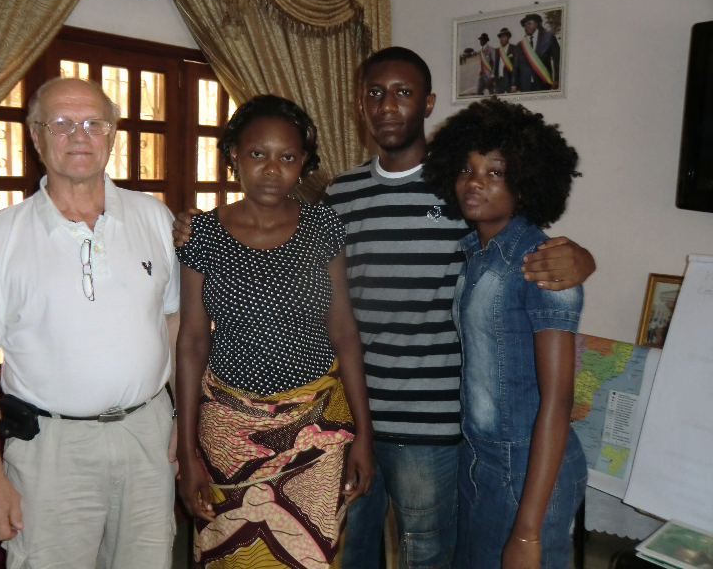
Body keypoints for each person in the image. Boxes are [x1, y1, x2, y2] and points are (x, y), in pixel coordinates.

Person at [174, 47, 595, 569]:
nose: (388, 105)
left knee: (426, 554)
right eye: (375, 93)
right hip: (347, 416)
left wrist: (581, 258)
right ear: (360, 105)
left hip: (435, 425)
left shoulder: (459, 191)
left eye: (403, 93)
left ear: (428, 103)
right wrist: (193, 227)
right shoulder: (340, 197)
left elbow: (515, 239)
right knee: (347, 551)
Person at [0, 77, 180, 569]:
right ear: (36, 136)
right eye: (61, 123)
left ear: (112, 135)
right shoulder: (1, 236)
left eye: (94, 123)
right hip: (51, 452)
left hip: (148, 437)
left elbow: (173, 323)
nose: (79, 135)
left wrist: (181, 420)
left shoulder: (153, 217)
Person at [175, 94, 374, 569]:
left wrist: (364, 434)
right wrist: (186, 452)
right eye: (257, 154)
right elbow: (193, 341)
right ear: (234, 156)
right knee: (234, 555)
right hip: (229, 433)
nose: (271, 169)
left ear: (303, 162)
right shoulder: (201, 233)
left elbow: (344, 332)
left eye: (286, 157)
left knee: (310, 556)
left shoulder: (323, 226)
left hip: (316, 428)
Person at [423, 97, 587, 569]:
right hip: (478, 458)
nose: (474, 182)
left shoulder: (541, 263)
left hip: (527, 471)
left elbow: (557, 402)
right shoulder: (477, 253)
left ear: (527, 181)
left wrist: (528, 530)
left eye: (495, 172)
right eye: (466, 168)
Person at [515, 13, 561, 92]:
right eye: (524, 25)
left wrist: (557, 79)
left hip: (543, 83)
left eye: (529, 23)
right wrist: (515, 84)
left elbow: (558, 59)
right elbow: (517, 66)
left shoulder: (548, 37)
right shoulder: (520, 44)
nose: (526, 26)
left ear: (536, 23)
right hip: (525, 85)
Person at [494, 28, 517, 94]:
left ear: (508, 37)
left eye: (503, 36)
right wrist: (495, 80)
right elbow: (496, 66)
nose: (501, 39)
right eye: (500, 37)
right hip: (499, 81)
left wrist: (514, 85)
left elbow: (516, 68)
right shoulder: (497, 51)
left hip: (509, 81)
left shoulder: (514, 49)